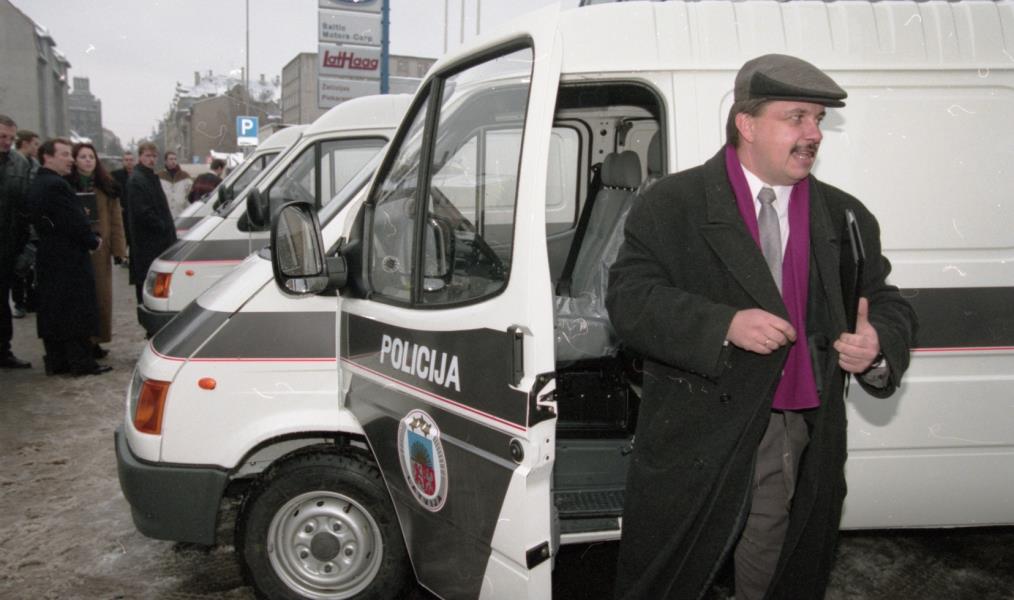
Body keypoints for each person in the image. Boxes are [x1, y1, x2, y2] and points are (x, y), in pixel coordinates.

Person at [607, 54, 917, 600]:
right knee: (675, 570)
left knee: (773, 560)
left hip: (791, 423)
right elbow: (629, 300)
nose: (813, 134)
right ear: (746, 124)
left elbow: (887, 301)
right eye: (796, 117)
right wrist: (724, 324)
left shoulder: (845, 216)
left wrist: (876, 344)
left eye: (818, 119)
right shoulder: (672, 204)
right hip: (698, 427)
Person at [27, 138, 110, 376]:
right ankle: (81, 362)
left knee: (55, 310)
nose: (71, 160)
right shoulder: (56, 185)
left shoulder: (40, 182)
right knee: (75, 310)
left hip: (51, 255)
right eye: (64, 154)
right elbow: (72, 220)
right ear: (47, 157)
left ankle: (58, 361)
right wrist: (93, 240)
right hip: (68, 258)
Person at [69, 142, 127, 357]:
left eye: (91, 157)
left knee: (101, 296)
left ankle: (96, 340)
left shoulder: (106, 186)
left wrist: (119, 249)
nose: (88, 161)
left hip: (101, 249)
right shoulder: (68, 185)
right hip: (76, 249)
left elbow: (116, 219)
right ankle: (82, 340)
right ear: (75, 160)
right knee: (80, 297)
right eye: (83, 157)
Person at [0, 114, 33, 369]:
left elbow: (26, 208)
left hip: (8, 244)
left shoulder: (20, 164)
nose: (7, 142)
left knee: (3, 300)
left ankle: (4, 350)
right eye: (2, 136)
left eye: (11, 138)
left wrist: (24, 246)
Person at [127, 141, 176, 305]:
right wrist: (161, 226)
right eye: (148, 156)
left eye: (154, 156)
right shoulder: (137, 179)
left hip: (155, 241)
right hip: (148, 242)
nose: (151, 159)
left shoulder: (149, 177)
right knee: (147, 283)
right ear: (140, 157)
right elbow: (143, 212)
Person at [110, 150, 136, 270]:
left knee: (133, 236)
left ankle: (132, 257)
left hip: (134, 211)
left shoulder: (138, 175)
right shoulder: (116, 175)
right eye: (126, 160)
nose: (129, 162)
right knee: (122, 234)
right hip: (121, 210)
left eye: (131, 160)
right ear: (123, 161)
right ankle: (122, 257)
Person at [157, 150, 192, 216]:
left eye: (175, 159)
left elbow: (189, 193)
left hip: (181, 212)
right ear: (165, 161)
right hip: (164, 212)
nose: (173, 161)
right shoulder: (159, 176)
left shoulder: (185, 176)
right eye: (171, 159)